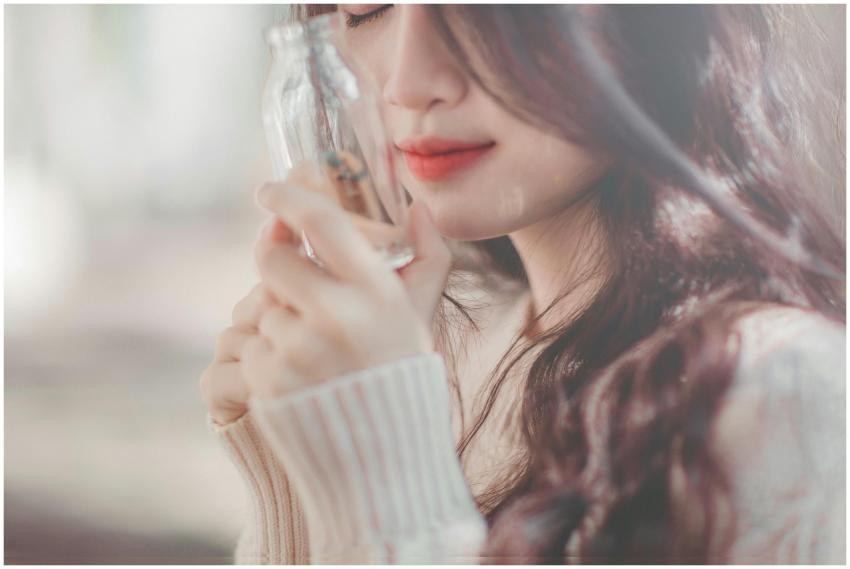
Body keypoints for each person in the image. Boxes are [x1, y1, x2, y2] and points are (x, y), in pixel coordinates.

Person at [199, 4, 845, 564]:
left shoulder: (780, 389)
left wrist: (374, 483)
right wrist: (301, 488)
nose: (408, 82)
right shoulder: (445, 355)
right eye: (367, 8)